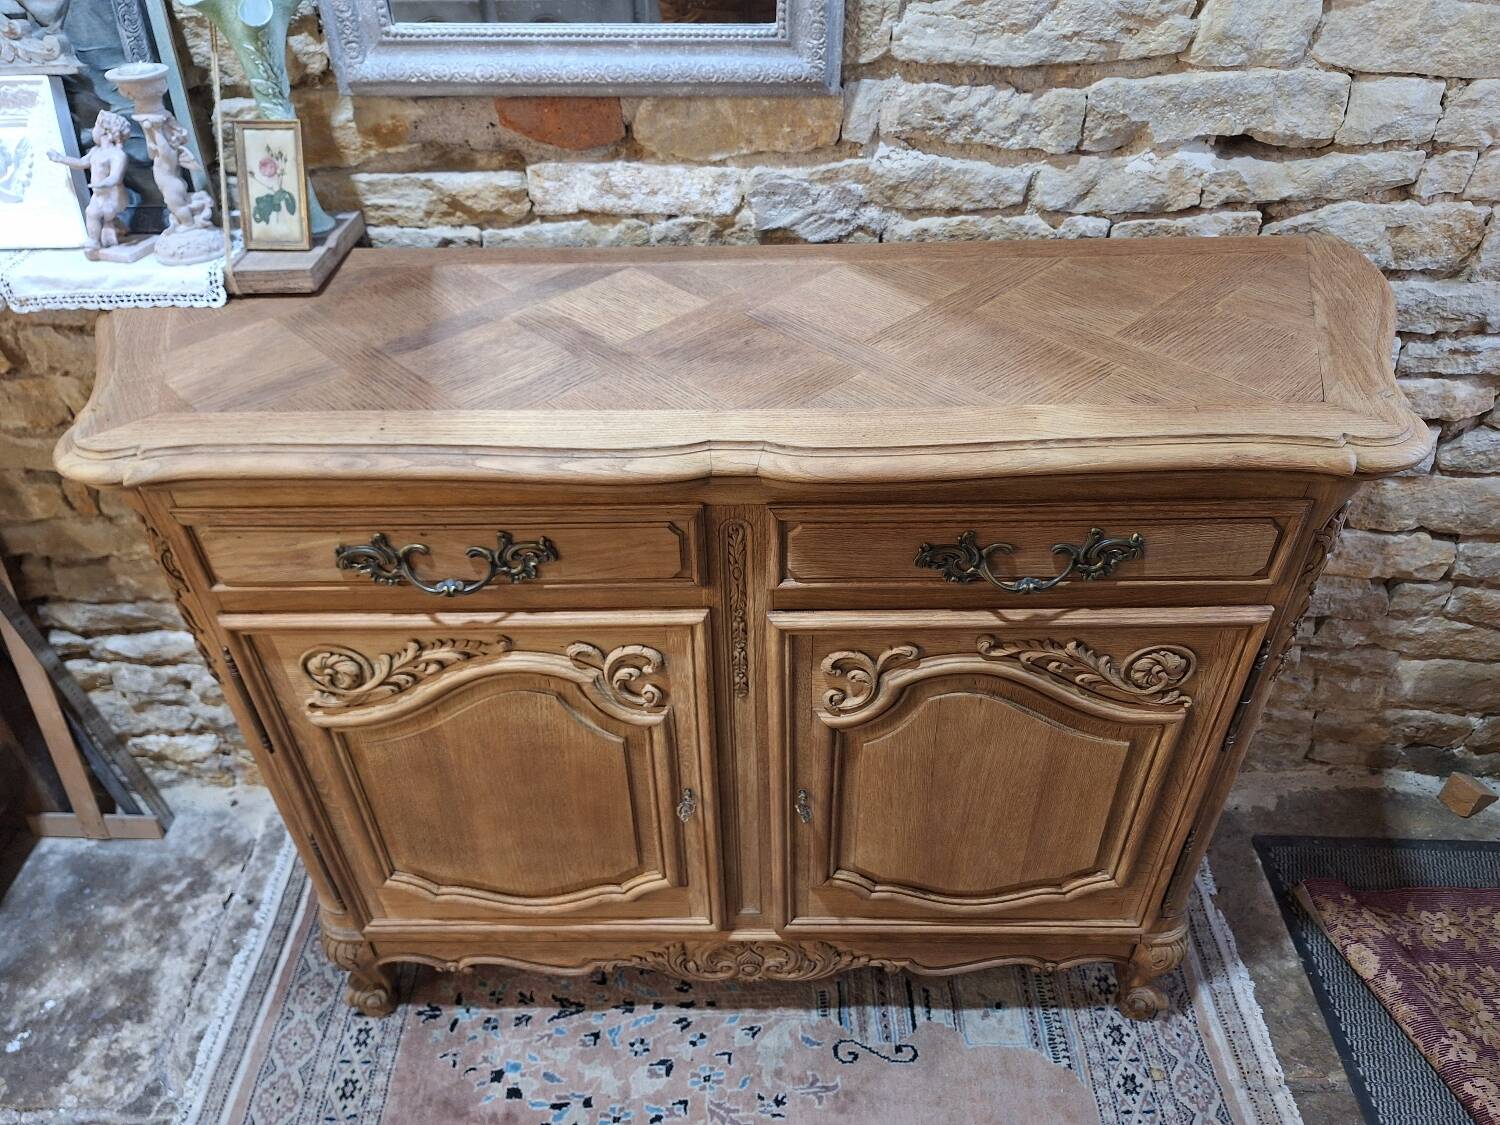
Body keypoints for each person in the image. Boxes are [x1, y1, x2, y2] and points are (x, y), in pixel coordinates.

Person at [47, 109, 130, 251]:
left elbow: (116, 176)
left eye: (95, 127)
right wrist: (60, 159)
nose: (93, 131)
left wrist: (103, 183)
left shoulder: (117, 154)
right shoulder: (95, 151)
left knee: (104, 214)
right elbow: (81, 163)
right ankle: (95, 240)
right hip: (98, 195)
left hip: (112, 196)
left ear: (105, 132)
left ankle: (106, 233)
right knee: (92, 213)